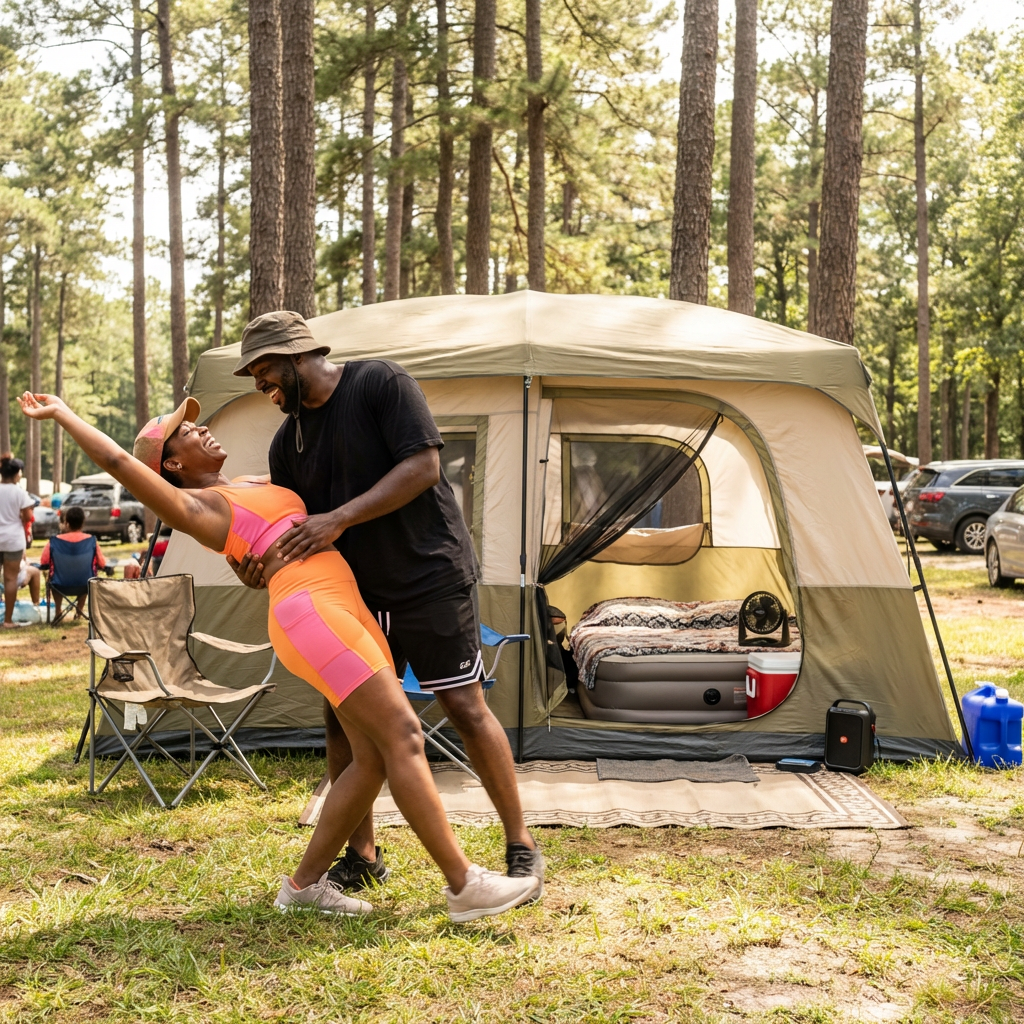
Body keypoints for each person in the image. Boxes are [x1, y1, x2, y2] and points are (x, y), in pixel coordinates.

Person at [18, 390, 540, 922]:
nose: (200, 429)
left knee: (374, 758)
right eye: (185, 432)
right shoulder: (198, 506)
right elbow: (118, 462)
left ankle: (303, 887)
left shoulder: (250, 484)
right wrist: (63, 414)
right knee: (403, 735)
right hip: (311, 612)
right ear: (172, 464)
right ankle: (463, 885)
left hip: (347, 601)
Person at [227, 311, 544, 894]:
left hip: (428, 575)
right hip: (355, 594)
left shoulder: (379, 383)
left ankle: (520, 842)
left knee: (464, 707)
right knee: (345, 726)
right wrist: (260, 568)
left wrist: (341, 517)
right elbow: (299, 529)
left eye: (266, 371)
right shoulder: (286, 442)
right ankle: (363, 856)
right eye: (252, 376)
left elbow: (423, 467)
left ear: (299, 355)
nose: (260, 386)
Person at [39, 505, 105, 619]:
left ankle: (58, 611)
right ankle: (79, 612)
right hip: (85, 585)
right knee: (87, 577)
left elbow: (44, 562)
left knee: (53, 578)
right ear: (83, 522)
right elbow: (102, 564)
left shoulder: (54, 542)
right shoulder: (92, 541)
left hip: (59, 585)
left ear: (67, 523)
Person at [0, 456, 36, 629]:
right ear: (15, 474)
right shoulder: (20, 492)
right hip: (13, 540)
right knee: (10, 579)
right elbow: (28, 517)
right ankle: (7, 620)